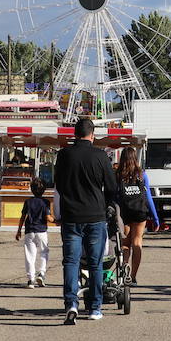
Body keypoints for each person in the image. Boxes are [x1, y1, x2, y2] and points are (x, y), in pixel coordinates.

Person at [53, 117, 117, 324]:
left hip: (72, 216)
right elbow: (112, 187)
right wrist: (106, 204)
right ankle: (95, 307)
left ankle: (71, 303)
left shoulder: (64, 156)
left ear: (74, 134)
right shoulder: (100, 156)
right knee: (95, 263)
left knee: (71, 262)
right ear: (92, 134)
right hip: (95, 216)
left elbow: (59, 185)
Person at [114, 146, 159, 284]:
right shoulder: (142, 174)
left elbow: (115, 196)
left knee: (125, 244)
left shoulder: (117, 174)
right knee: (137, 243)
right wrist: (155, 217)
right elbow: (148, 197)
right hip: (140, 211)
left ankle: (123, 272)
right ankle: (133, 277)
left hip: (124, 212)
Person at [15, 177, 52, 286]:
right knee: (44, 252)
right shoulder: (45, 202)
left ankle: (31, 279)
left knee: (30, 255)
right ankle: (41, 273)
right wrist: (58, 221)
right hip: (41, 231)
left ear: (31, 189)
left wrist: (18, 231)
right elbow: (48, 218)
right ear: (44, 190)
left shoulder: (28, 202)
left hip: (29, 231)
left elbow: (22, 217)